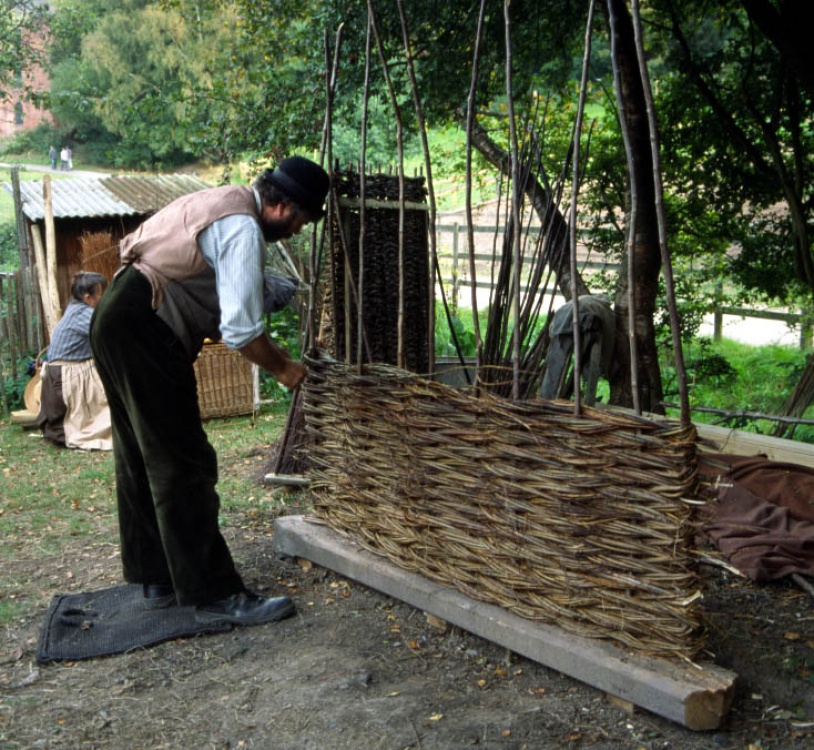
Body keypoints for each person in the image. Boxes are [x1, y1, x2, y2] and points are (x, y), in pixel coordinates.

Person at [89, 156, 330, 624]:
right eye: (302, 220)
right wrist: (284, 368)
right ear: (284, 207)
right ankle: (214, 595)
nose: (298, 231)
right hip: (145, 326)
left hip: (116, 314)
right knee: (184, 462)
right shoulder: (241, 227)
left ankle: (156, 575)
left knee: (140, 453)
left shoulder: (221, 200)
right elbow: (241, 331)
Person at [36, 272, 112, 450]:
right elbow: (111, 334)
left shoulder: (75, 308)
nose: (106, 297)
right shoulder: (84, 314)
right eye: (103, 293)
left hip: (62, 374)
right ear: (88, 297)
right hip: (65, 378)